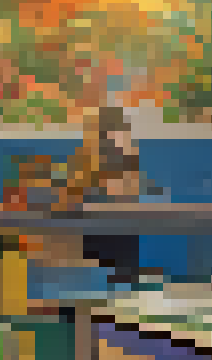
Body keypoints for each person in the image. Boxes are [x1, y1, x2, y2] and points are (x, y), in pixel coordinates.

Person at [61, 106, 149, 282]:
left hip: (117, 242)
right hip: (99, 242)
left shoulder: (126, 159)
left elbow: (128, 194)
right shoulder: (87, 163)